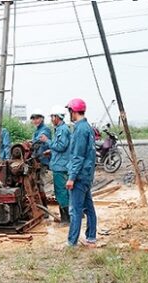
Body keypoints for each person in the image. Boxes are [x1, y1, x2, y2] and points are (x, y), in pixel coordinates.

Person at [65, 98, 97, 248]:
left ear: (73, 111)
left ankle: (72, 242)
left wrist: (71, 178)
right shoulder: (88, 128)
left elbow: (78, 156)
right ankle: (91, 237)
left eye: (69, 111)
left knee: (75, 210)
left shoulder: (79, 129)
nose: (69, 114)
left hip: (79, 176)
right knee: (88, 207)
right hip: (87, 174)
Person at [40, 105, 71, 225]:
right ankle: (68, 217)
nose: (52, 119)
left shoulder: (62, 130)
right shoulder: (60, 129)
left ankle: (66, 219)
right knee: (65, 192)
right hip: (61, 164)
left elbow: (61, 146)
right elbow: (60, 147)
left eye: (53, 117)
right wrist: (51, 151)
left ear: (58, 117)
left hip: (60, 166)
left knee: (61, 192)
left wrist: (47, 141)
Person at [30, 109, 52, 211]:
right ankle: (38, 208)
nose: (35, 120)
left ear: (42, 119)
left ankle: (44, 209)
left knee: (40, 184)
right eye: (34, 119)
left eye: (38, 118)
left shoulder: (45, 130)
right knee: (35, 184)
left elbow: (39, 141)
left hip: (41, 160)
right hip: (36, 160)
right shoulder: (36, 130)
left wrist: (31, 144)